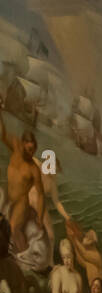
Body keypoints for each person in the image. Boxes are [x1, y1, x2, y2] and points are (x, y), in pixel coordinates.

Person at [0, 98, 43, 256]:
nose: (30, 153)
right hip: (9, 198)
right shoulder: (16, 147)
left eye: (33, 150)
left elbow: (41, 194)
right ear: (23, 144)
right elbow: (3, 134)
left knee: (14, 227)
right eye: (28, 149)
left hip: (21, 203)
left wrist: (39, 214)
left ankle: (25, 257)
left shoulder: (33, 169)